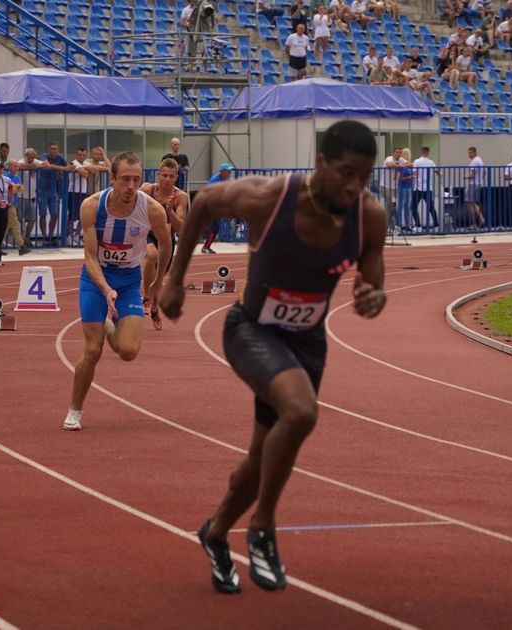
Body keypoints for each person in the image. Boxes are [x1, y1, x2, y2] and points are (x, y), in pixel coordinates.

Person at [158, 120, 387, 595]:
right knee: (301, 412)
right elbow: (202, 204)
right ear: (320, 163)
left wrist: (372, 295)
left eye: (364, 177)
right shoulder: (271, 198)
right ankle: (262, 528)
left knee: (261, 458)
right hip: (253, 330)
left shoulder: (370, 216)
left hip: (308, 343)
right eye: (346, 173)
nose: (354, 186)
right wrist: (174, 278)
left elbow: (373, 277)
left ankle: (217, 530)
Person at [62, 151, 173, 432]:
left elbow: (166, 242)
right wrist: (105, 288)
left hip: (127, 281)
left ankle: (111, 328)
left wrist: (158, 281)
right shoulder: (91, 207)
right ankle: (75, 410)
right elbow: (89, 256)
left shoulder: (152, 209)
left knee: (128, 351)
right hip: (95, 279)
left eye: (136, 179)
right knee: (92, 350)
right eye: (124, 179)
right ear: (112, 178)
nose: (131, 186)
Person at [139, 158, 188, 331]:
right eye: (164, 175)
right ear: (158, 175)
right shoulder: (147, 190)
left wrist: (169, 211)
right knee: (150, 256)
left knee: (159, 280)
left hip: (167, 239)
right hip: (148, 234)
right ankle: (145, 297)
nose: (167, 179)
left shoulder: (180, 197)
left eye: (171, 176)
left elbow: (181, 226)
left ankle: (154, 308)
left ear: (176, 178)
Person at [202, 163, 234, 253]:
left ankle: (206, 246)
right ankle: (205, 246)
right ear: (222, 171)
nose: (229, 172)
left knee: (215, 227)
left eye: (229, 171)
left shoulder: (226, 179)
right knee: (214, 227)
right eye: (228, 171)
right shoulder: (215, 180)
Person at [411, 146, 438, 230]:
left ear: (421, 152)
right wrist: (440, 174)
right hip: (428, 188)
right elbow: (436, 170)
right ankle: (436, 224)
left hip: (417, 188)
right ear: (428, 152)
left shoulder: (417, 161)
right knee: (431, 207)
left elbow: (414, 173)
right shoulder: (431, 162)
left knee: (413, 206)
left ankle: (418, 225)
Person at [465, 146, 486, 230]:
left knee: (469, 203)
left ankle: (474, 224)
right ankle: (481, 219)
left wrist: (465, 177)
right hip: (478, 183)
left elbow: (472, 175)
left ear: (474, 152)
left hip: (473, 184)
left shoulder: (474, 161)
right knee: (472, 203)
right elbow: (484, 172)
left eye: (470, 153)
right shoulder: (480, 160)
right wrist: (481, 180)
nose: (469, 154)